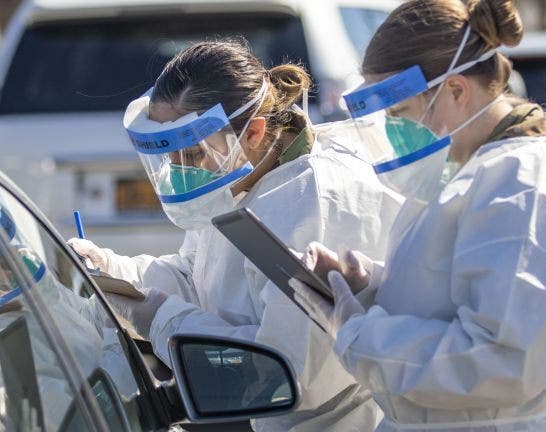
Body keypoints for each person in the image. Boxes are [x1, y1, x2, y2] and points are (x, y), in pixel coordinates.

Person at [290, 0, 546, 431]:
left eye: (398, 112)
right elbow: (458, 294)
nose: (390, 130)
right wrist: (371, 288)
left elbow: (498, 359)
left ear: (455, 90)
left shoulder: (523, 186)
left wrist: (359, 334)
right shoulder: (476, 173)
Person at [69, 40, 404, 431]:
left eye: (191, 154)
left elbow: (290, 373)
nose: (180, 170)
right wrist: (115, 273)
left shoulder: (313, 199)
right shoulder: (242, 177)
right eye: (169, 157)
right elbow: (200, 278)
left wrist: (160, 318)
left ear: (254, 133)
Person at [0, 198, 105, 431]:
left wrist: (109, 293)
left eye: (7, 244)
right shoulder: (5, 353)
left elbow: (84, 319)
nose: (13, 259)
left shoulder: (34, 294)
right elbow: (78, 420)